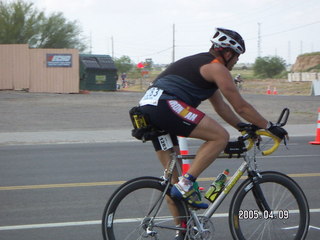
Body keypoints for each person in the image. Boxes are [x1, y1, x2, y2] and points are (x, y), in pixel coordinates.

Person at [135, 27, 287, 214]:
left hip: (147, 108)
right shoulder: (217, 67)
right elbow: (241, 106)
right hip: (165, 104)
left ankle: (182, 231)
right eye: (237, 56)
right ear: (228, 53)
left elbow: (221, 107)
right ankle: (186, 185)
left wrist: (244, 127)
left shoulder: (202, 66)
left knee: (172, 185)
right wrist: (270, 127)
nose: (237, 61)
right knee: (219, 136)